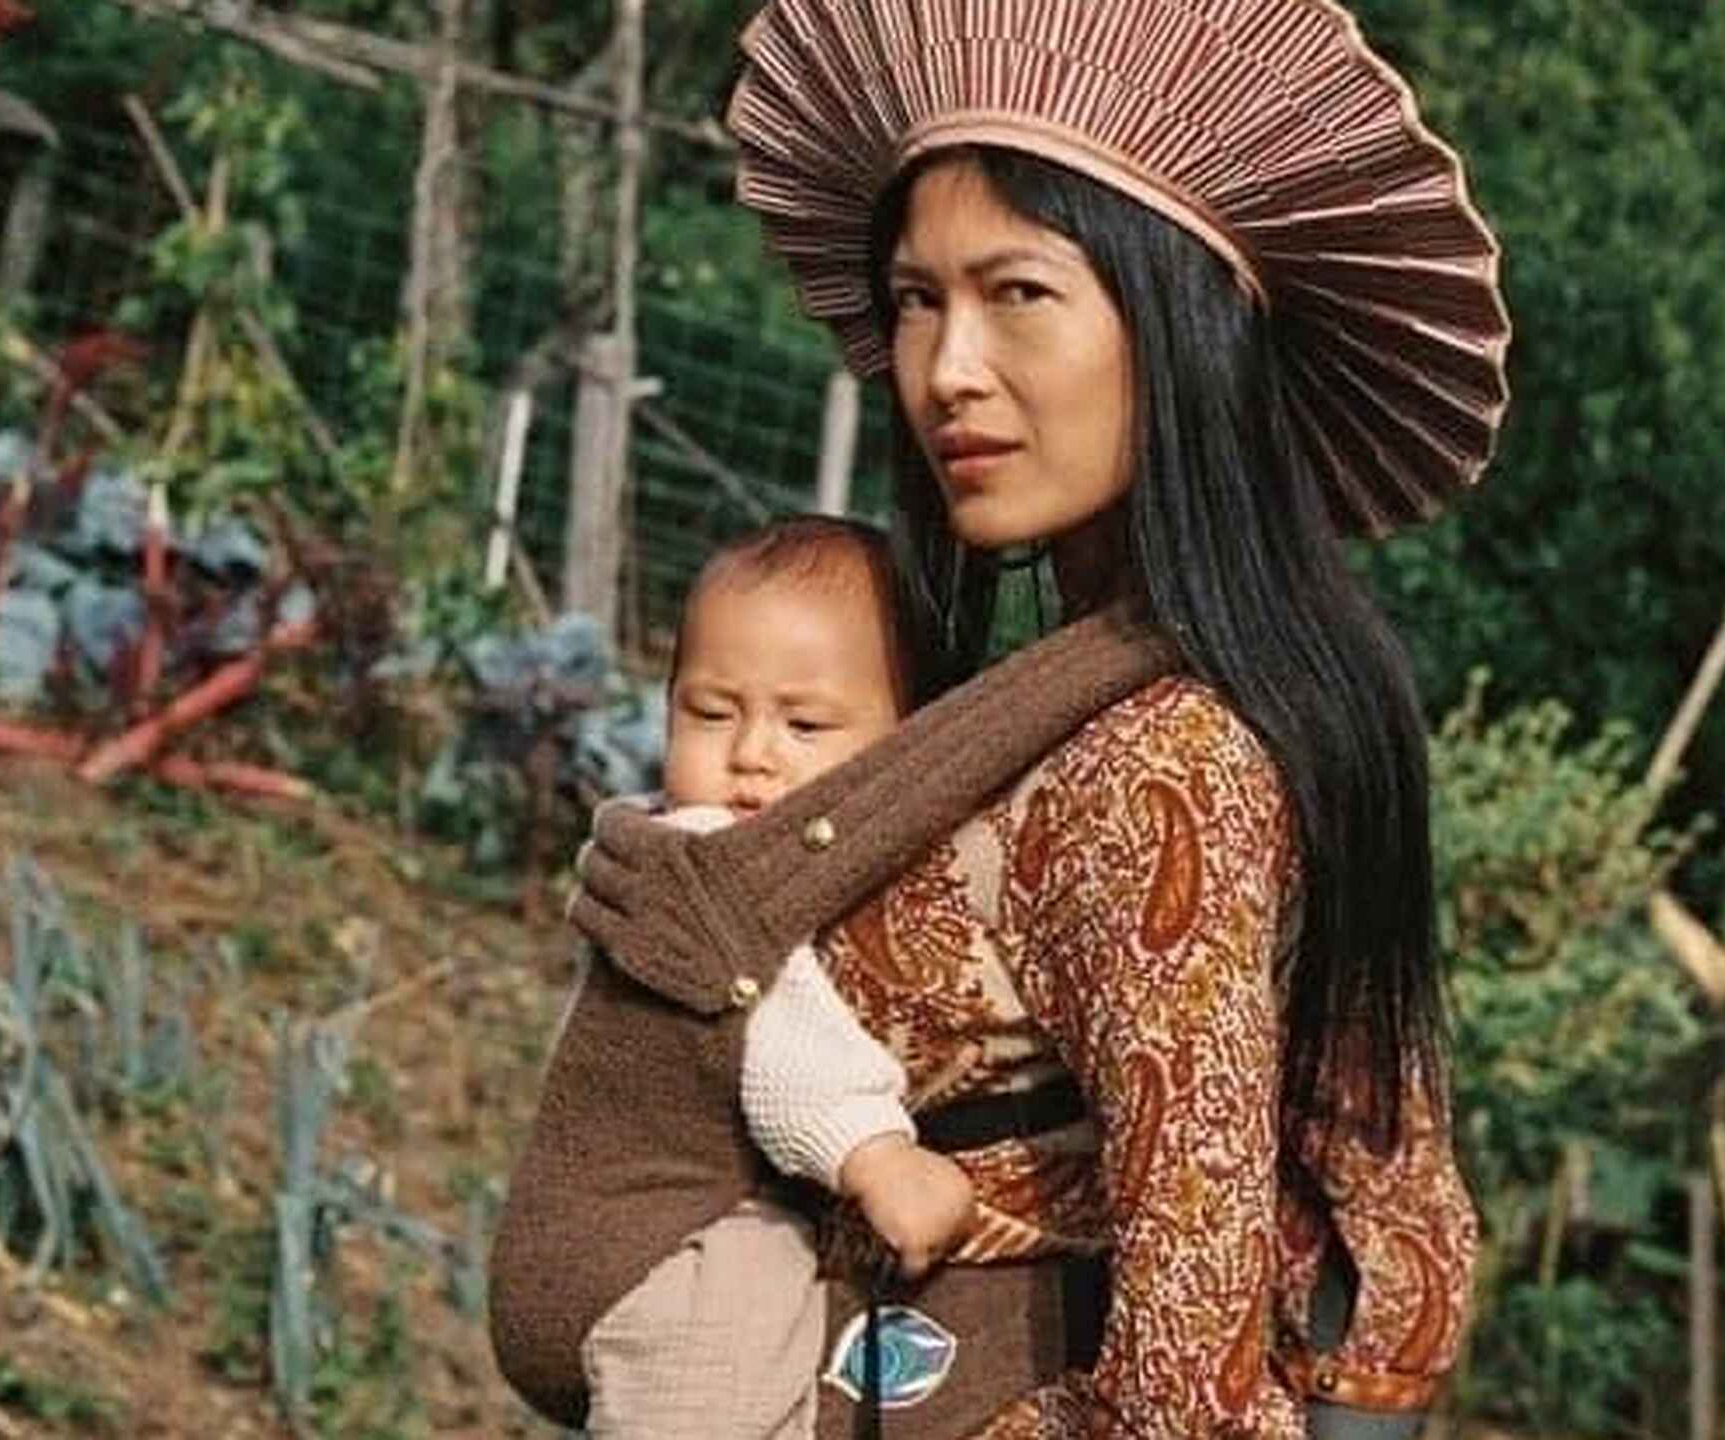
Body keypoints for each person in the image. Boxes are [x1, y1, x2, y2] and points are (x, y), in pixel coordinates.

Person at [497, 1, 1514, 1434]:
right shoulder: (1077, 706)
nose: (948, 370)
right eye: (918, 301)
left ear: (1180, 336)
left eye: (1018, 294)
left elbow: (1186, 1357)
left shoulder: (1169, 764)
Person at [563, 515, 981, 1437]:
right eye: (711, 712)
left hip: (638, 1238)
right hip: (670, 1248)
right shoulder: (702, 858)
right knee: (730, 1332)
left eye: (804, 724)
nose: (751, 753)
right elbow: (780, 1033)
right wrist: (880, 1159)